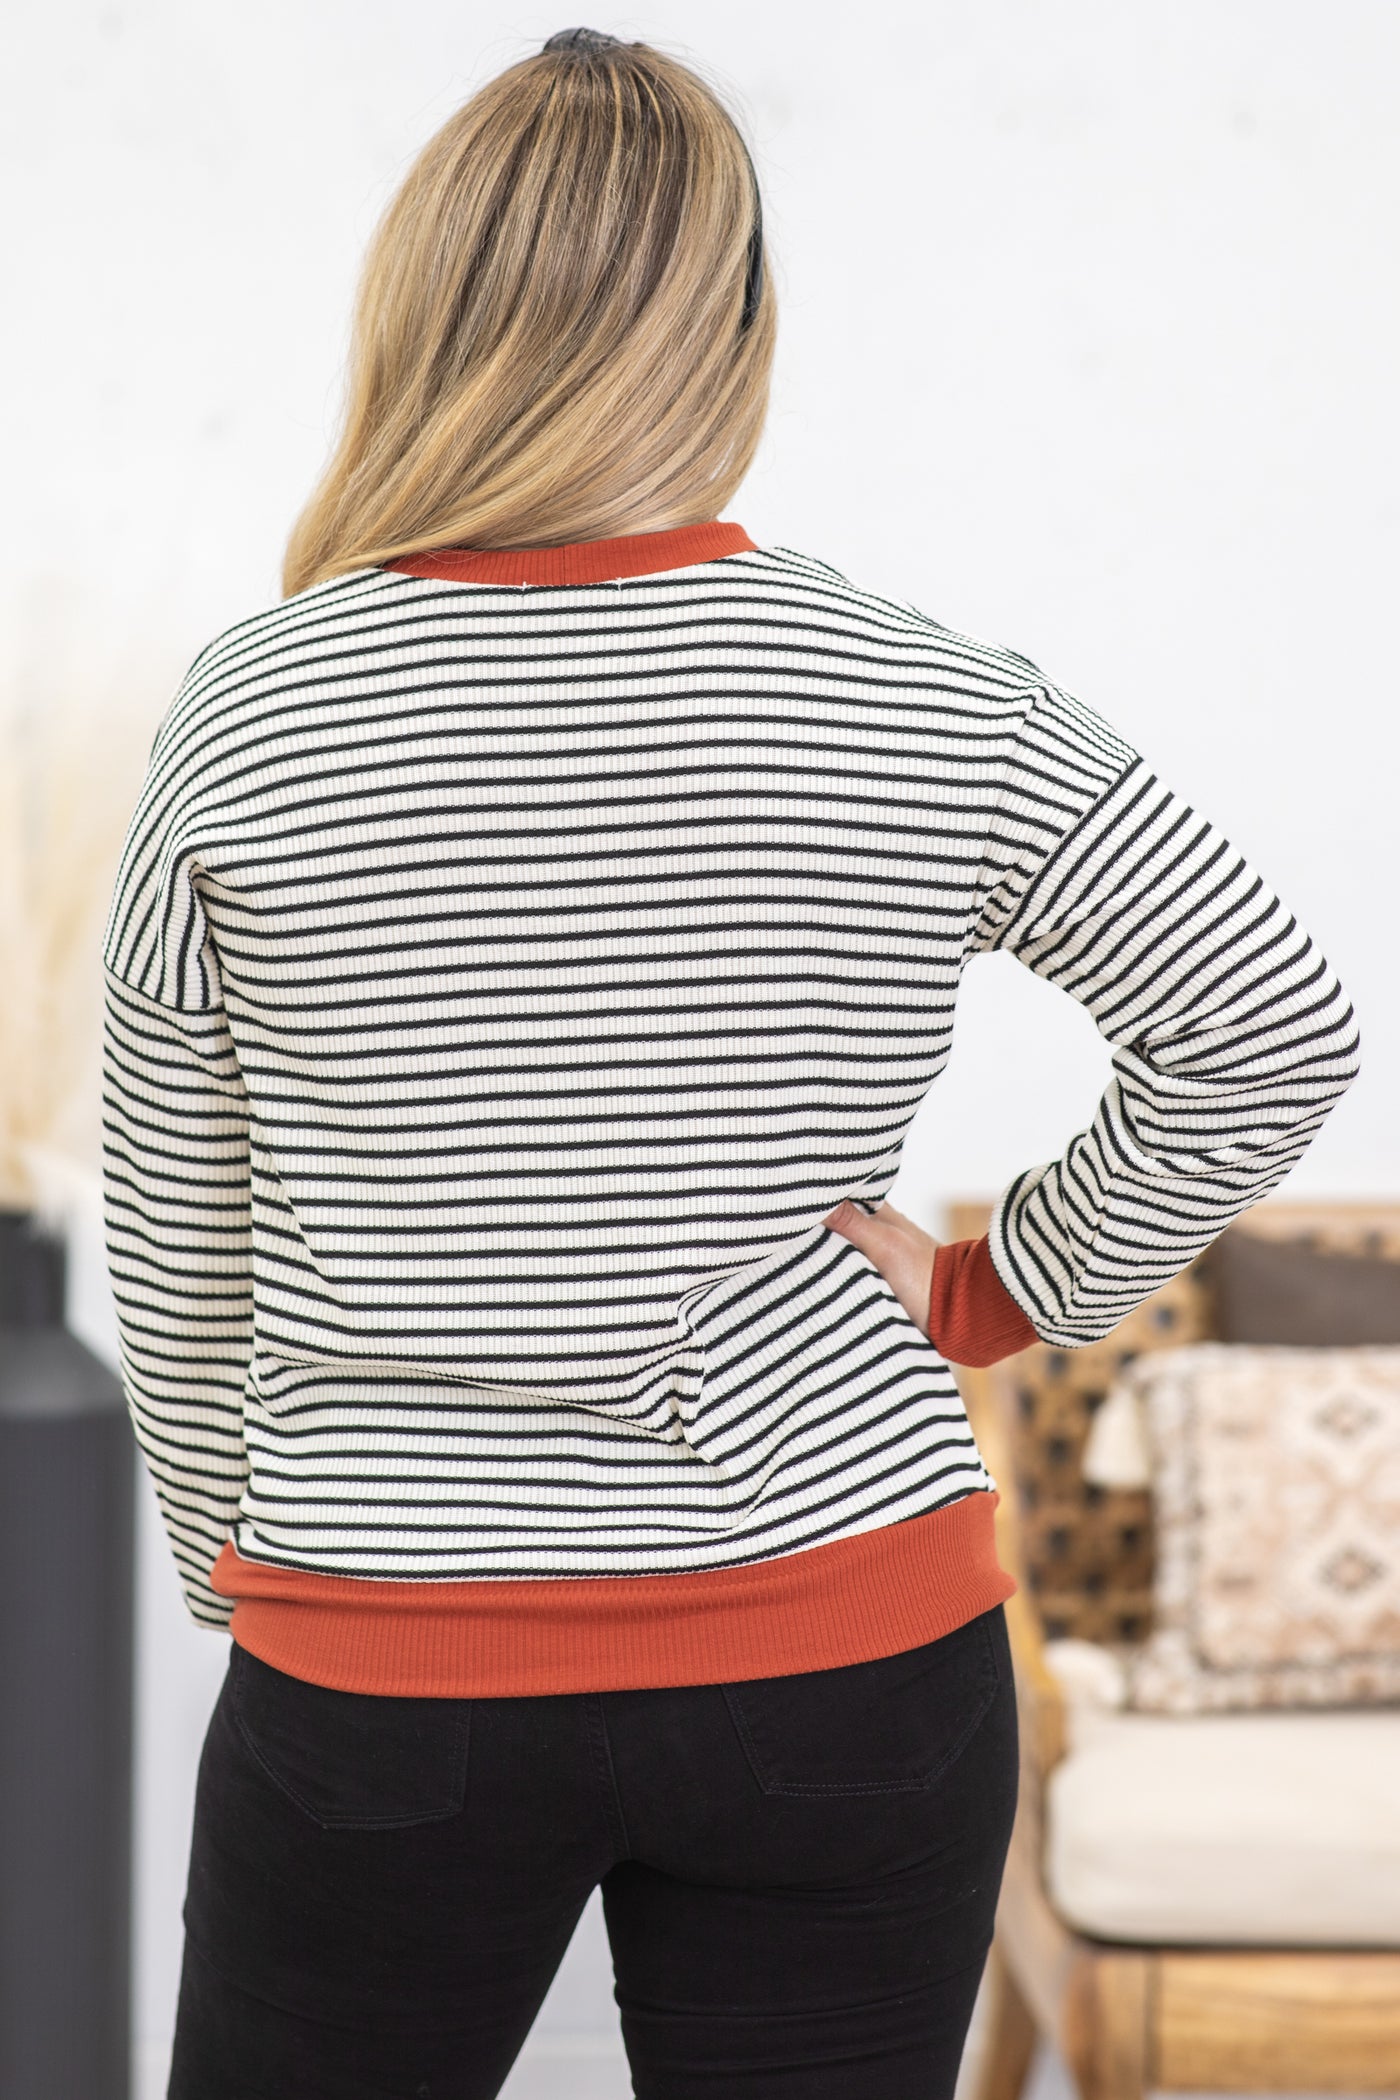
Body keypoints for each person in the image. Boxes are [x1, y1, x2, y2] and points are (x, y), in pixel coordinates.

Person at [101, 28, 1360, 2100]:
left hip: (387, 1669)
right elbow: (1267, 1025)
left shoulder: (259, 707)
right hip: (852, 1656)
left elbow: (183, 1213)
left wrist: (255, 1565)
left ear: (423, 312)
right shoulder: (928, 694)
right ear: (737, 333)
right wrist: (989, 1294)